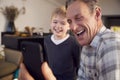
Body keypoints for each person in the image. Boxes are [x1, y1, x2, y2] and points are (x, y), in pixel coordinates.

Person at [18, 6, 81, 80]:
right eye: (55, 22)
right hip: (48, 76)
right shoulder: (46, 40)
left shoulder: (74, 42)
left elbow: (78, 64)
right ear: (50, 23)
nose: (58, 26)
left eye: (63, 23)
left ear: (69, 26)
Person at [65, 0, 120, 80]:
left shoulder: (109, 45)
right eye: (69, 21)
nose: (73, 27)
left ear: (97, 14)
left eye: (79, 18)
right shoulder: (86, 44)